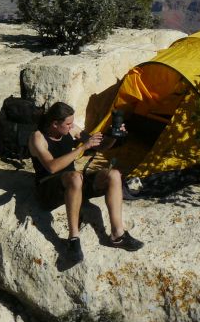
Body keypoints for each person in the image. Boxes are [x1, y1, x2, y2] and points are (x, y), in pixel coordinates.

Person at [28, 101, 143, 262]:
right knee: (75, 176)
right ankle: (73, 239)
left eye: (72, 122)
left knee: (114, 174)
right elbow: (52, 167)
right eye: (68, 124)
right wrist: (82, 148)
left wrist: (113, 135)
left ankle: (118, 234)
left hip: (75, 183)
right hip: (48, 189)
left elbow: (100, 147)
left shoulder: (71, 128)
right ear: (55, 124)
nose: (71, 126)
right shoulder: (37, 138)